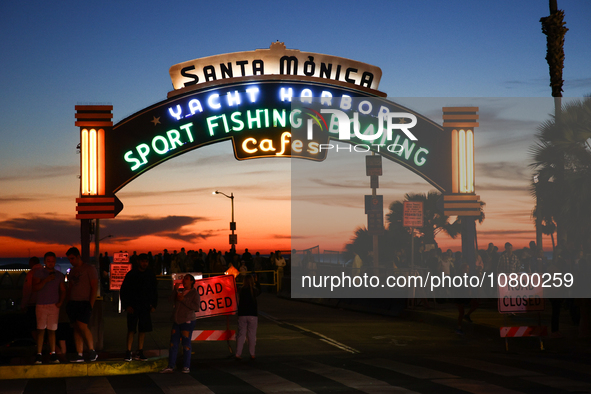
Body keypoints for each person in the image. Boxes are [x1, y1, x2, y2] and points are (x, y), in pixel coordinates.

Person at [120, 253, 158, 362]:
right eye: (143, 261)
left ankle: (140, 351)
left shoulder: (150, 275)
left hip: (145, 306)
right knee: (131, 329)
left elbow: (154, 291)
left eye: (146, 261)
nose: (144, 263)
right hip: (133, 306)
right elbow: (124, 291)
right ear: (138, 262)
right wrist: (127, 305)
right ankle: (128, 351)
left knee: (143, 330)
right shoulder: (131, 274)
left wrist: (154, 304)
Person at [160, 274, 200, 373]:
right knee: (173, 343)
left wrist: (184, 300)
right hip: (177, 321)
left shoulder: (194, 293)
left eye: (186, 279)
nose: (184, 280)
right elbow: (170, 300)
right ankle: (171, 365)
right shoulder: (180, 291)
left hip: (187, 321)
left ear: (191, 281)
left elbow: (196, 307)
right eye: (183, 279)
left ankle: (186, 366)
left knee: (186, 344)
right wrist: (175, 290)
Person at [66, 247, 99, 362]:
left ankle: (92, 350)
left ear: (78, 257)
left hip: (84, 302)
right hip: (73, 302)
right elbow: (70, 287)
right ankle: (79, 353)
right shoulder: (73, 271)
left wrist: (91, 303)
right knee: (76, 327)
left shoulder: (89, 269)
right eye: (69, 259)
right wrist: (68, 301)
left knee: (82, 326)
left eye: (72, 258)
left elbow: (94, 286)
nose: (71, 261)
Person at [32, 252, 66, 364]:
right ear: (45, 261)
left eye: (52, 261)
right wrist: (46, 280)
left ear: (55, 261)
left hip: (53, 305)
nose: (50, 263)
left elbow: (63, 289)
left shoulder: (59, 275)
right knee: (40, 329)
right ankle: (39, 353)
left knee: (52, 330)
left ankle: (53, 353)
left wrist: (60, 302)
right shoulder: (39, 273)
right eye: (48, 261)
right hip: (41, 304)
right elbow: (35, 287)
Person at [235, 274, 261, 361]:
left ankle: (238, 353)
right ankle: (252, 354)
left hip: (242, 314)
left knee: (241, 335)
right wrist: (257, 282)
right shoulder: (254, 290)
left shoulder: (241, 290)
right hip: (252, 315)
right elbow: (260, 291)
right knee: (252, 335)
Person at [22, 256, 42, 344]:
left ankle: (39, 346)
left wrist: (23, 304)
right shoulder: (46, 273)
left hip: (33, 304)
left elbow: (27, 290)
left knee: (33, 327)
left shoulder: (31, 274)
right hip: (45, 303)